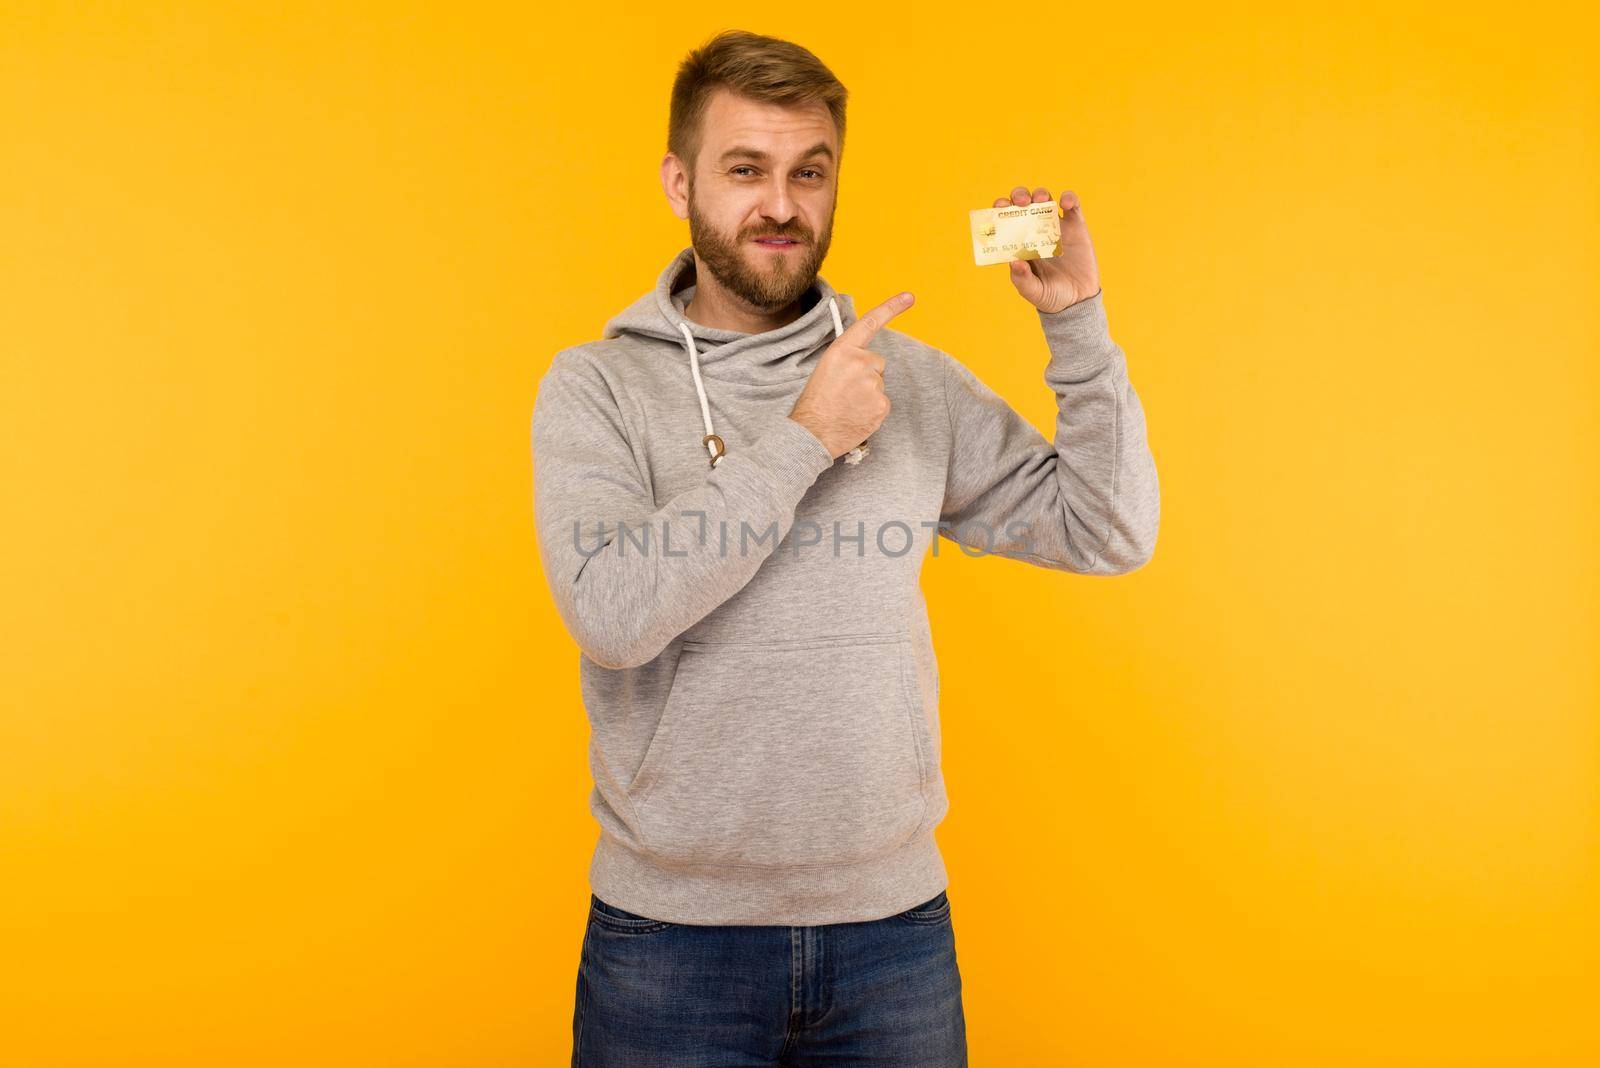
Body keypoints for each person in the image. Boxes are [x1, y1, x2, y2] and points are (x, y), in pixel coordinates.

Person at [531, 28, 1160, 1068]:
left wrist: (1078, 326)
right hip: (670, 947)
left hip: (892, 936)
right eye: (746, 170)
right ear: (679, 182)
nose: (781, 204)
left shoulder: (906, 380)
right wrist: (804, 438)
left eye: (808, 172)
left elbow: (1109, 529)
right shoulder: (596, 387)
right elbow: (611, 617)